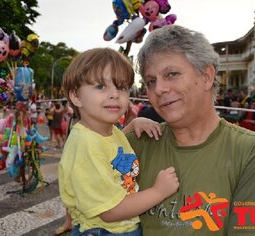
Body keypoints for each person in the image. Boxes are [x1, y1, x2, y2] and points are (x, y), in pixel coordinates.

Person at [126, 25, 255, 235]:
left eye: (171, 74)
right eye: (151, 81)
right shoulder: (135, 144)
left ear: (207, 77)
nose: (159, 89)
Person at [59, 48, 179, 236]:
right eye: (100, 86)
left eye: (122, 87)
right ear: (76, 96)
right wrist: (158, 191)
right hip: (106, 231)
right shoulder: (86, 145)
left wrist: (132, 126)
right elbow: (110, 211)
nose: (114, 94)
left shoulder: (104, 131)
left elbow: (109, 150)